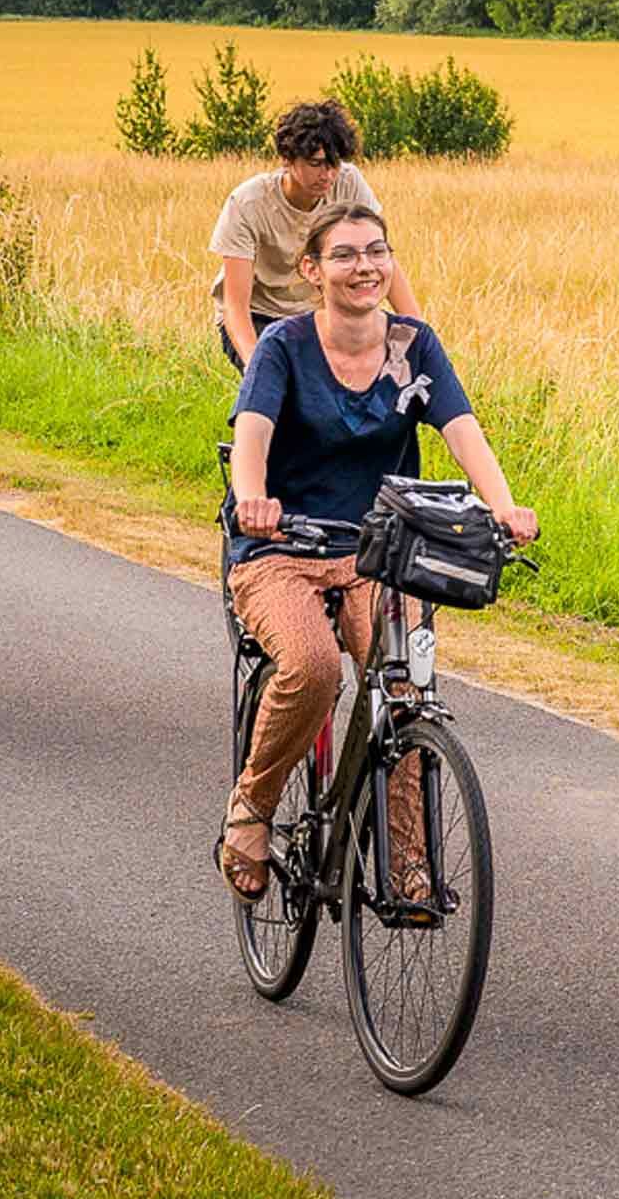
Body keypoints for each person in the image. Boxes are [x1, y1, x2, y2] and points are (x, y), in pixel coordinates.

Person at [218, 199, 536, 899]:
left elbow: (462, 429)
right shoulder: (285, 347)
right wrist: (252, 497)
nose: (364, 267)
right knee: (310, 666)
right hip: (282, 545)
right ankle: (253, 807)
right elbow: (253, 432)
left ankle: (407, 862)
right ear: (311, 270)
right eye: (345, 254)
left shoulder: (413, 345)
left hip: (380, 552)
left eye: (376, 252)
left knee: (403, 685)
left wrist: (502, 505)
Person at [209, 98, 419, 372]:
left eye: (334, 163)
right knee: (282, 394)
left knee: (363, 377)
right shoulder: (248, 203)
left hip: (323, 312)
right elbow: (235, 306)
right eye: (316, 163)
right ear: (287, 159)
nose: (328, 174)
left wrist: (419, 337)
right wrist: (255, 366)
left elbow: (381, 260)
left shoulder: (349, 183)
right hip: (260, 315)